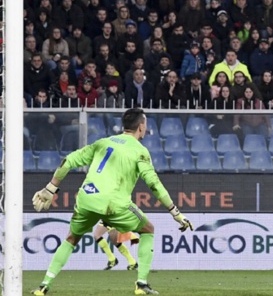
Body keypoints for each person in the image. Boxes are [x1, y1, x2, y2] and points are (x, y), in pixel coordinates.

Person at [30, 108, 193, 296]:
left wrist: (51, 188)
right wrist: (175, 212)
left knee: (71, 238)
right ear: (141, 127)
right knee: (148, 229)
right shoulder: (140, 151)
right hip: (114, 203)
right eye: (145, 124)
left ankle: (43, 286)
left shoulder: (103, 142)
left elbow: (68, 161)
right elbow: (154, 184)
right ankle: (141, 284)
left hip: (87, 198)